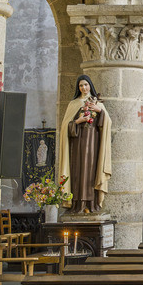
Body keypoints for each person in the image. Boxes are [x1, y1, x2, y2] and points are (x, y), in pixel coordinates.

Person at [58, 75, 112, 214]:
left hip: (93, 142)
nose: (84, 88)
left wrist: (99, 111)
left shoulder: (98, 103)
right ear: (78, 88)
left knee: (92, 170)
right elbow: (65, 127)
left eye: (86, 85)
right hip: (77, 144)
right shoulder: (73, 104)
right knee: (78, 171)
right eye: (81, 85)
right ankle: (77, 204)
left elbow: (107, 123)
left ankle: (91, 204)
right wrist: (78, 121)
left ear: (90, 86)